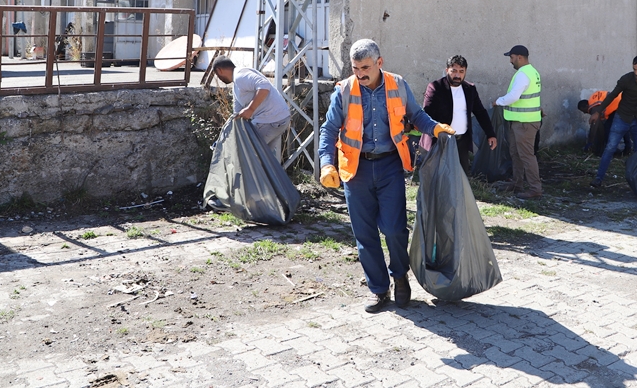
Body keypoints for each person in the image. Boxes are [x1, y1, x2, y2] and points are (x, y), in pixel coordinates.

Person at [318, 39, 455, 314]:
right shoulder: (343, 91)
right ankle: (379, 289)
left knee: (394, 229)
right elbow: (329, 129)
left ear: (379, 63)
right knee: (365, 234)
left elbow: (417, 115)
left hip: (390, 166)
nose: (360, 74)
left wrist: (435, 128)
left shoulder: (398, 85)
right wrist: (326, 164)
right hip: (355, 170)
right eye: (355, 68)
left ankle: (400, 276)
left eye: (365, 68)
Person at [422, 55, 498, 174]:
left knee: (461, 177)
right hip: (440, 141)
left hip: (462, 142)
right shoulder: (436, 87)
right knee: (440, 177)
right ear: (447, 70)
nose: (457, 75)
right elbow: (427, 114)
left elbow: (480, 112)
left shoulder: (470, 89)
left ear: (465, 72)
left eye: (461, 71)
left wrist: (490, 134)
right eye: (454, 71)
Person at [590, 55, 637, 188]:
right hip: (622, 118)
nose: (636, 73)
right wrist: (598, 112)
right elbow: (612, 95)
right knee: (610, 147)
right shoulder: (626, 79)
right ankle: (599, 178)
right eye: (634, 69)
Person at [210, 57, 291, 162]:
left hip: (269, 119)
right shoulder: (236, 87)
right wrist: (223, 139)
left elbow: (264, 86)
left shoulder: (240, 76)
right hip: (279, 118)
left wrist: (250, 109)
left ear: (219, 70)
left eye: (217, 75)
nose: (219, 78)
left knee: (247, 156)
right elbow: (236, 115)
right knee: (265, 161)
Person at [492, 45, 543, 200]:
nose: (510, 61)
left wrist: (498, 102)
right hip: (521, 122)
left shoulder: (523, 74)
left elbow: (514, 96)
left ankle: (535, 189)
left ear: (519, 57)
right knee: (516, 154)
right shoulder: (531, 72)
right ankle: (517, 183)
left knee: (526, 156)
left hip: (525, 123)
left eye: (512, 57)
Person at [576, 90, 632, 156]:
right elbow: (600, 126)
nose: (584, 113)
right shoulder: (593, 100)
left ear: (586, 106)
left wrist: (590, 142)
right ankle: (627, 149)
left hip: (618, 107)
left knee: (609, 131)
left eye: (583, 110)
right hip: (623, 104)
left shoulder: (593, 108)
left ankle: (614, 151)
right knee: (622, 127)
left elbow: (594, 126)